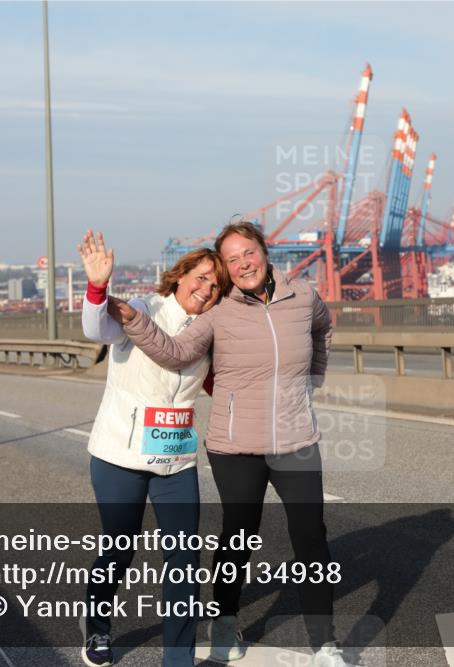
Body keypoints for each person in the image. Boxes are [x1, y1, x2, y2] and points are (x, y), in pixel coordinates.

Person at [109, 222, 346, 667]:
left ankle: (326, 645)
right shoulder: (218, 314)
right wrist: (133, 319)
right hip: (236, 446)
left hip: (296, 438)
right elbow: (176, 352)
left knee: (311, 537)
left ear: (264, 251)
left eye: (248, 253)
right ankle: (224, 620)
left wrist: (313, 378)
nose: (242, 264)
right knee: (239, 537)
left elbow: (323, 330)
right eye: (232, 259)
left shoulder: (304, 297)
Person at [76, 229, 226, 667]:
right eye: (200, 277)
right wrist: (98, 286)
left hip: (176, 462)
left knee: (184, 558)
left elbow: (223, 382)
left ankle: (177, 660)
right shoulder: (145, 309)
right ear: (179, 276)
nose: (206, 289)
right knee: (119, 548)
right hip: (119, 457)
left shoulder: (209, 333)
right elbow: (97, 327)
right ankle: (98, 628)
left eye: (216, 285)